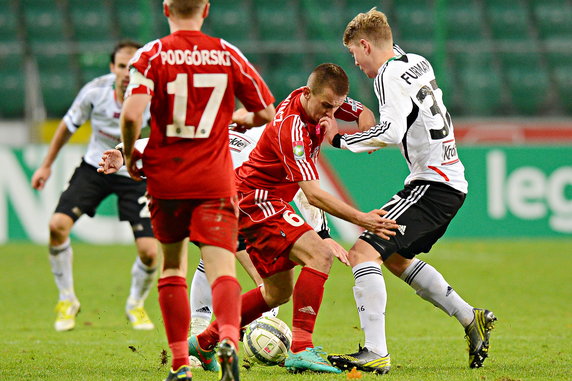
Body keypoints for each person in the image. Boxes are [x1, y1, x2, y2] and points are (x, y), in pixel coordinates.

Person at [187, 63, 398, 374]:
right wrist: (361, 219)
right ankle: (302, 347)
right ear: (308, 93)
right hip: (256, 201)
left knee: (276, 293)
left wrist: (361, 134)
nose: (329, 113)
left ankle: (204, 342)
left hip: (262, 200)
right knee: (321, 254)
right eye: (325, 106)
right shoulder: (292, 128)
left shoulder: (325, 101)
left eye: (335, 107)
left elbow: (363, 112)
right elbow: (313, 195)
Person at [325, 9, 497, 374]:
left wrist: (340, 139)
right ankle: (471, 318)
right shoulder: (415, 61)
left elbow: (389, 132)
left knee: (362, 253)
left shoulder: (387, 74)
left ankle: (375, 352)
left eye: (354, 53)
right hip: (447, 181)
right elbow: (400, 110)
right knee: (393, 258)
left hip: (432, 184)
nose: (354, 63)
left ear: (366, 45)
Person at [119, 0, 275, 379]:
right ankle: (227, 340)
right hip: (214, 178)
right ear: (205, 10)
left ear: (166, 8)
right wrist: (237, 116)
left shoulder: (151, 54)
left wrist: (128, 154)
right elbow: (267, 112)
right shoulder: (226, 53)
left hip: (167, 179)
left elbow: (130, 115)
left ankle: (179, 365)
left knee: (172, 267)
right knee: (223, 269)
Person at [31, 40, 159, 332]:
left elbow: (161, 139)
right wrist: (47, 165)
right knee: (57, 226)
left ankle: (135, 304)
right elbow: (67, 126)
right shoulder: (94, 92)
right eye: (122, 66)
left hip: (133, 173)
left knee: (150, 252)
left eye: (134, 67)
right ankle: (67, 299)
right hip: (95, 168)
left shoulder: (151, 97)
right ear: (113, 67)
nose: (128, 72)